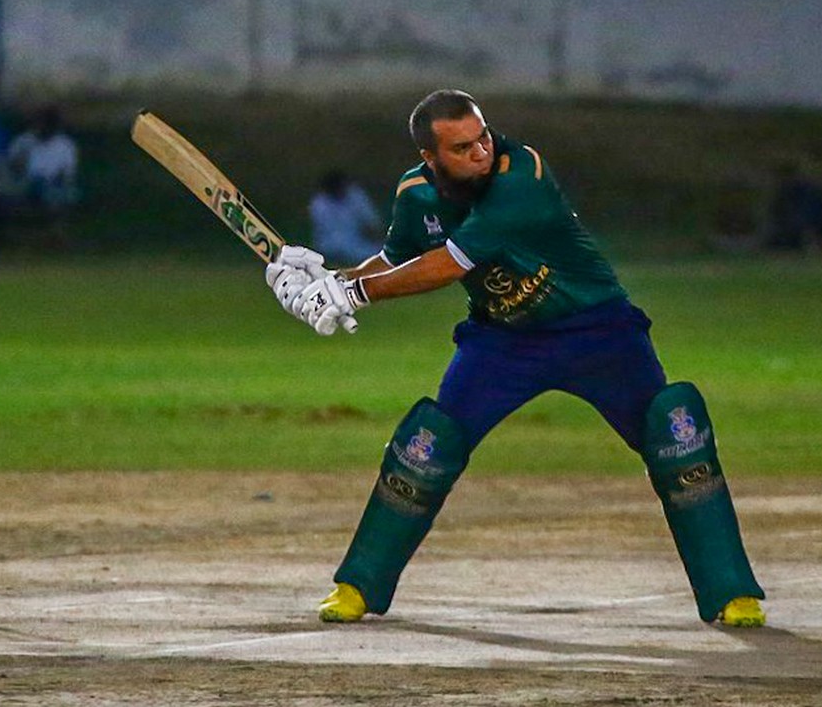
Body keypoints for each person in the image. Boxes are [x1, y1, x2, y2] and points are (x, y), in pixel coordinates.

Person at [264, 90, 766, 628]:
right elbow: (394, 261)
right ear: (430, 158)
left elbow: (449, 265)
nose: (480, 151)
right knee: (426, 447)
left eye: (482, 136)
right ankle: (357, 587)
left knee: (675, 440)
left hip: (597, 331)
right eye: (461, 148)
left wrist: (351, 294)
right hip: (502, 342)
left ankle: (732, 594)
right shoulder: (415, 194)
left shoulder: (521, 174)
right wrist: (326, 281)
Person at [2, 106, 80, 214]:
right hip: (25, 183)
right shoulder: (22, 141)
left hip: (51, 185)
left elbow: (67, 175)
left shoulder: (66, 145)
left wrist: (55, 184)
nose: (44, 128)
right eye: (41, 124)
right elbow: (11, 168)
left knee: (67, 195)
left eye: (49, 125)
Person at [308, 170, 384, 267]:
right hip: (331, 245)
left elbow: (370, 222)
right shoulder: (319, 203)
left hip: (358, 241)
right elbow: (327, 232)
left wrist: (375, 235)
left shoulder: (356, 196)